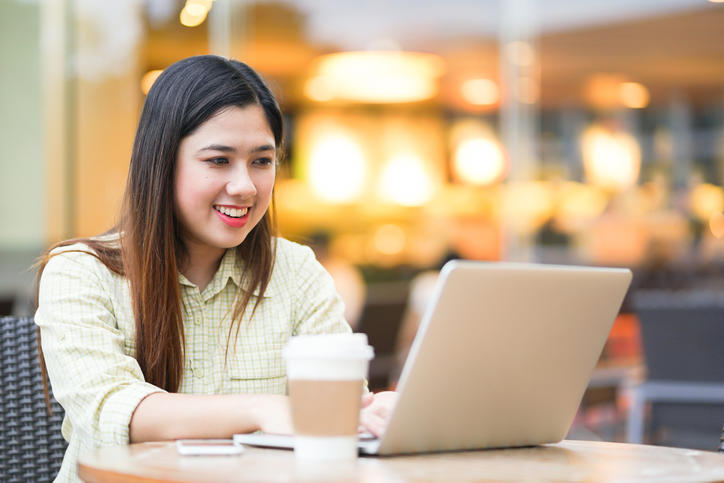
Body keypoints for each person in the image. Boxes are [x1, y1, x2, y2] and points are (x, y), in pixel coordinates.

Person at [34, 55, 396, 483]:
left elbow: (341, 412)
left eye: (262, 161)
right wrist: (263, 408)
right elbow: (111, 409)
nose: (245, 186)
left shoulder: (296, 271)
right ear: (162, 163)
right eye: (218, 160)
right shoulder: (80, 272)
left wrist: (375, 414)